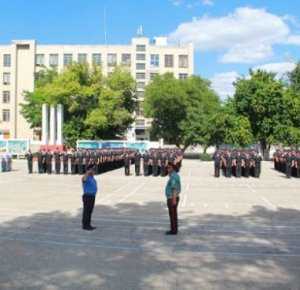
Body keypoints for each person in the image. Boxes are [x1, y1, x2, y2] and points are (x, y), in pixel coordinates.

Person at [165, 162, 181, 235]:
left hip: (172, 198)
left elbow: (174, 189)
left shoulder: (173, 176)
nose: (167, 169)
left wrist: (174, 199)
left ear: (172, 168)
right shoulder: (174, 175)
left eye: (169, 168)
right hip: (173, 197)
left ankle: (173, 230)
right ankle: (174, 229)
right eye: (167, 168)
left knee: (172, 215)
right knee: (174, 215)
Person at [81, 165, 98, 231]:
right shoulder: (86, 177)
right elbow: (83, 179)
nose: (93, 171)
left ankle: (88, 224)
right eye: (92, 170)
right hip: (87, 196)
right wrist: (87, 172)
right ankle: (85, 225)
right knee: (86, 211)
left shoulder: (92, 178)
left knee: (90, 211)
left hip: (92, 196)